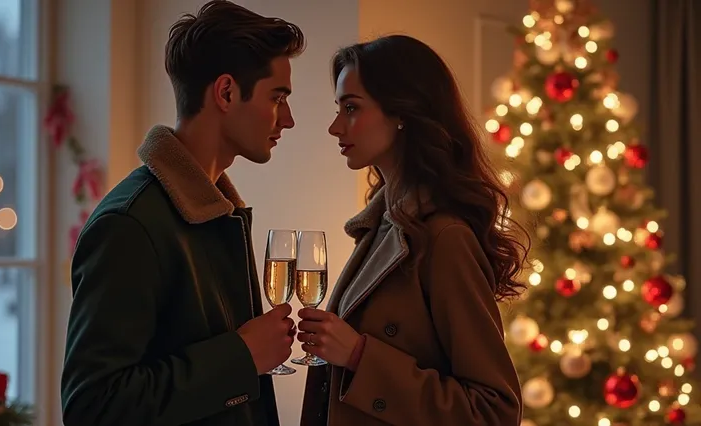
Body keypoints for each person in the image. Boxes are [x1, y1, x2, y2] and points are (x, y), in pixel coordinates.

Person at [60, 2, 305, 425]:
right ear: (226, 92)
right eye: (277, 97)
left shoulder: (219, 213)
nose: (289, 119)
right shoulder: (129, 225)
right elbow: (92, 407)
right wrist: (241, 356)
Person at [298, 34, 530, 426]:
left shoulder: (445, 237)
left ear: (402, 112)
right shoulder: (382, 226)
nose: (335, 127)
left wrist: (359, 356)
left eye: (351, 108)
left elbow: (495, 410)